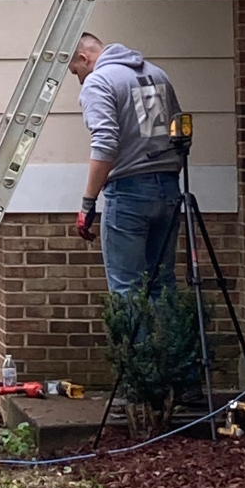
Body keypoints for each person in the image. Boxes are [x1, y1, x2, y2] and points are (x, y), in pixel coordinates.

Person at [68, 34, 183, 297]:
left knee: (126, 287)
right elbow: (178, 132)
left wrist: (88, 203)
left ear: (84, 58)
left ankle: (134, 341)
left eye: (77, 71)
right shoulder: (157, 74)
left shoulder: (99, 81)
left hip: (129, 193)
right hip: (168, 189)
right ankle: (166, 339)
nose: (80, 79)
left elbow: (105, 143)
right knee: (162, 283)